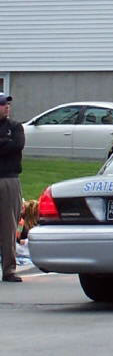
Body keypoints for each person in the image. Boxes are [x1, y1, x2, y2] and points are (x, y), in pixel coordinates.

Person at [0, 93, 24, 282]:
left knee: (9, 225)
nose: (6, 107)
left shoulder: (15, 127)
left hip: (9, 179)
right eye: (2, 105)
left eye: (7, 104)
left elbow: (17, 146)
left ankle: (9, 269)